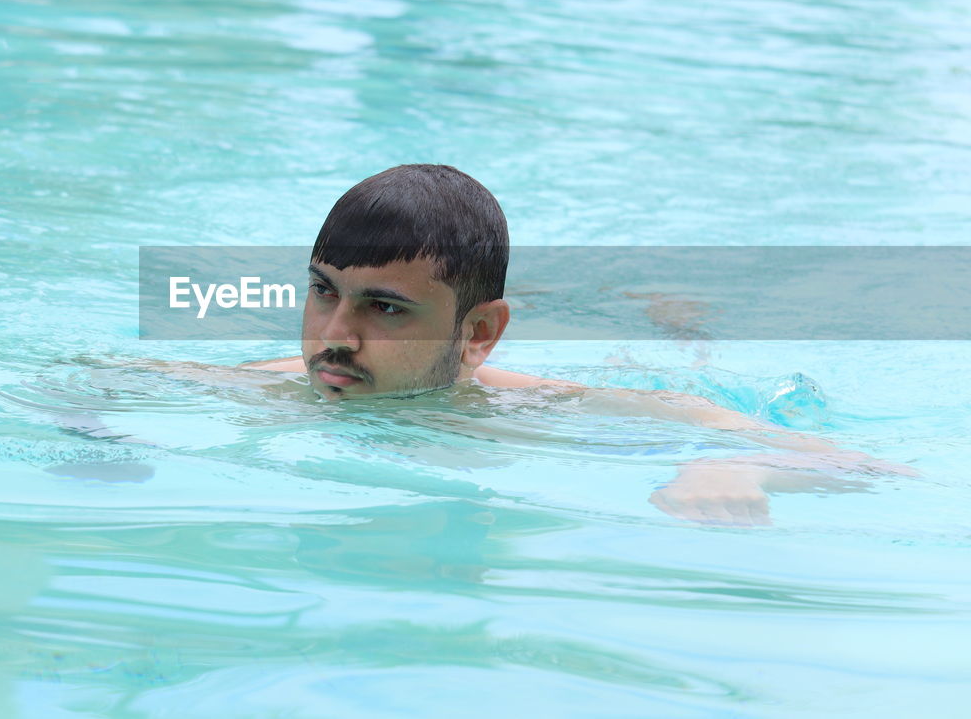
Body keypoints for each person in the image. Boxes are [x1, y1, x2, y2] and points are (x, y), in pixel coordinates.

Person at [241, 164, 916, 525]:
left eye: (385, 307)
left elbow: (866, 466)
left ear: (477, 336)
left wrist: (738, 467)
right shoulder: (269, 384)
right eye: (323, 290)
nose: (334, 337)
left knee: (680, 344)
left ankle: (669, 313)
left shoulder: (548, 410)